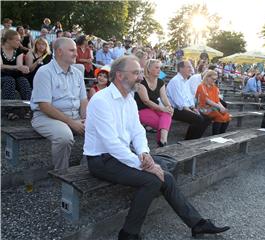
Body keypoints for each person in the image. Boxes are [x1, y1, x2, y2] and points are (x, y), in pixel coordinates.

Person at [84, 56, 230, 240]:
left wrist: (144, 153)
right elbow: (111, 144)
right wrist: (146, 165)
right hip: (101, 159)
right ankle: (129, 234)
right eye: (136, 73)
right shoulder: (100, 101)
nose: (139, 77)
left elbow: (137, 131)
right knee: (155, 179)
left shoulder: (128, 99)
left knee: (168, 166)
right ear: (120, 76)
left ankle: (197, 224)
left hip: (122, 154)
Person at [30, 37, 88, 170]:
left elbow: (83, 100)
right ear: (60, 52)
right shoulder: (44, 72)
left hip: (74, 116)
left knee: (99, 128)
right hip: (46, 117)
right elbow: (44, 106)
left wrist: (85, 119)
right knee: (64, 137)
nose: (76, 54)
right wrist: (72, 123)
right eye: (72, 50)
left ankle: (85, 167)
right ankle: (62, 173)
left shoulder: (78, 73)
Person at [167, 61, 211, 140]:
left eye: (191, 67)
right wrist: (193, 112)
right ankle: (188, 141)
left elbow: (189, 98)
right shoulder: (175, 81)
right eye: (189, 67)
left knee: (208, 118)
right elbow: (180, 104)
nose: (191, 69)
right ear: (181, 69)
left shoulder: (186, 81)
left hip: (186, 107)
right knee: (198, 119)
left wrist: (194, 108)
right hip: (175, 110)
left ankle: (195, 139)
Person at [134, 59, 173, 147]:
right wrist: (163, 108)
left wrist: (169, 107)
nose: (159, 70)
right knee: (162, 124)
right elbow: (146, 101)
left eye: (160, 68)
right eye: (156, 67)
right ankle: (162, 144)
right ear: (148, 69)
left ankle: (163, 140)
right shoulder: (141, 81)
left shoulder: (160, 82)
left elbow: (164, 97)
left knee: (167, 114)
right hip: (142, 109)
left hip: (155, 107)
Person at [1, 30, 32, 120]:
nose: (20, 42)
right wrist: (17, 67)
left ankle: (28, 109)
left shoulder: (18, 50)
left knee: (23, 81)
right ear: (8, 40)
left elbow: (19, 66)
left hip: (15, 75)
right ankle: (9, 110)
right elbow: (1, 66)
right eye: (17, 40)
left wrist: (23, 68)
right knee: (9, 81)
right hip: (2, 76)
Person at [196, 70, 231, 135]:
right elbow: (207, 100)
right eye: (213, 79)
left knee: (227, 115)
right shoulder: (201, 86)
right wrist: (219, 107)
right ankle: (216, 136)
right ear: (207, 77)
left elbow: (217, 100)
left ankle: (222, 134)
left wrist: (222, 107)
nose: (214, 81)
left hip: (213, 107)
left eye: (215, 79)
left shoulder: (214, 88)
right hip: (203, 108)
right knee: (219, 116)